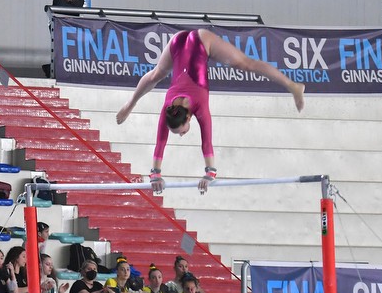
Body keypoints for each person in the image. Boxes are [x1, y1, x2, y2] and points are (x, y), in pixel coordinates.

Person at [115, 28, 305, 192]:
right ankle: (129, 104)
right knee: (156, 74)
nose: (180, 135)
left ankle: (293, 86)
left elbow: (206, 141)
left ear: (187, 118)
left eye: (180, 131)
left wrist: (210, 173)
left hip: (201, 41)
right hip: (177, 41)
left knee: (246, 64)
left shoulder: (199, 105)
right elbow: (161, 140)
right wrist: (155, 175)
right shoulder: (168, 109)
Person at [43, 0, 85, 78]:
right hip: (60, 22)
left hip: (73, 22)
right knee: (59, 47)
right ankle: (54, 70)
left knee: (72, 49)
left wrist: (69, 0)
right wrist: (73, 2)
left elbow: (80, 4)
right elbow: (60, 2)